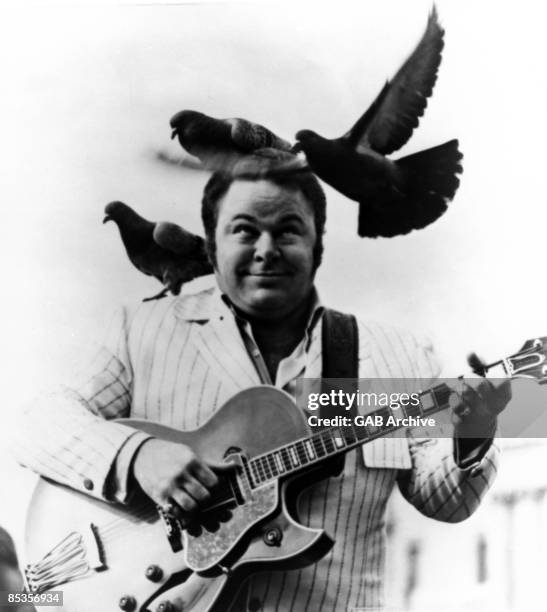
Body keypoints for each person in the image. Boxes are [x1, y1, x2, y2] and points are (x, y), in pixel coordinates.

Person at [12, 150, 511, 611]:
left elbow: (445, 500)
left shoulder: (393, 355)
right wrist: (136, 457)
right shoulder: (139, 331)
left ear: (318, 244)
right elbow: (35, 424)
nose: (266, 250)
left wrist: (476, 429)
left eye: (289, 231)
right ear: (211, 243)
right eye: (245, 231)